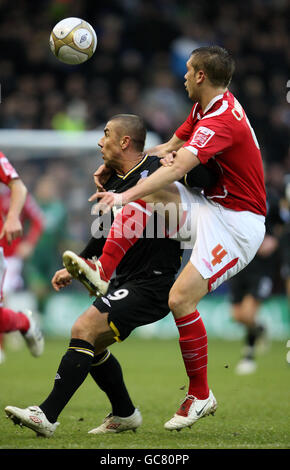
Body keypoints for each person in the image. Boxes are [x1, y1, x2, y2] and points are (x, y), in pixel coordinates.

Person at [75, 45, 267, 431]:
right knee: (148, 188)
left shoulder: (223, 120)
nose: (182, 76)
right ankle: (101, 268)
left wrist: (122, 194)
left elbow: (178, 165)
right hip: (211, 207)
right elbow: (164, 150)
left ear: (200, 76)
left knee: (179, 297)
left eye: (188, 70)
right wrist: (117, 168)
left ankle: (200, 393)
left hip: (238, 224)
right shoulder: (204, 108)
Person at [5, 114, 218, 437]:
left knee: (84, 327)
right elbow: (105, 231)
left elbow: (203, 174)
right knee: (91, 344)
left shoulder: (155, 172)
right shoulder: (118, 184)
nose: (99, 141)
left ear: (125, 142)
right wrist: (77, 264)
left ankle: (46, 416)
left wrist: (181, 155)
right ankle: (124, 412)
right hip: (126, 280)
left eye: (106, 134)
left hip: (154, 281)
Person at [228, 188, 283, 374]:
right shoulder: (235, 194)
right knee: (238, 316)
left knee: (248, 312)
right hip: (241, 262)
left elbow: (281, 225)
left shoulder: (272, 198)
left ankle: (248, 356)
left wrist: (274, 240)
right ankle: (260, 328)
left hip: (263, 267)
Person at [0, 151, 44, 359]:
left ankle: (8, 339)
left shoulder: (11, 194)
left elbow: (38, 220)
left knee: (3, 302)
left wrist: (14, 219)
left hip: (9, 255)